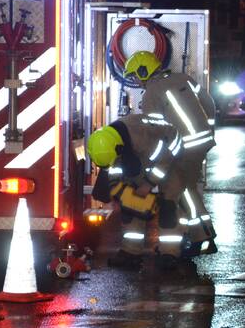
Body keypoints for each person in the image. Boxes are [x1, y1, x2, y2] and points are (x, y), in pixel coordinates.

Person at [125, 51, 218, 254]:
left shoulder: (151, 94)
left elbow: (158, 133)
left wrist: (153, 164)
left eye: (134, 76)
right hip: (202, 142)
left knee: (180, 190)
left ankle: (203, 237)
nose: (135, 81)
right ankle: (196, 237)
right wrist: (208, 128)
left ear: (143, 71)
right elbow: (208, 102)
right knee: (188, 188)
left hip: (183, 148)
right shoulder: (183, 78)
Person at [89, 112, 210, 268]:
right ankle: (131, 252)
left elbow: (163, 162)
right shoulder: (108, 142)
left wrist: (148, 184)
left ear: (118, 149)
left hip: (173, 159)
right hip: (144, 159)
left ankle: (169, 254)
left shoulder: (143, 137)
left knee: (168, 206)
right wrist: (118, 190)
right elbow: (115, 168)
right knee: (130, 204)